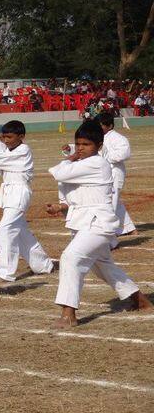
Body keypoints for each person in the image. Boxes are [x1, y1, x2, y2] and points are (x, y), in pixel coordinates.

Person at [46, 121, 151, 328]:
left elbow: (59, 172)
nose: (81, 148)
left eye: (86, 144)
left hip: (98, 223)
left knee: (70, 257)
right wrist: (61, 206)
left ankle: (69, 313)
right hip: (81, 221)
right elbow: (72, 189)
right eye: (78, 144)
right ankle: (140, 300)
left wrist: (69, 159)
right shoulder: (80, 165)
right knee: (103, 266)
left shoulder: (98, 163)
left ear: (99, 146)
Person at [0, 121, 56, 282]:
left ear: (21, 136)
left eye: (9, 137)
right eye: (4, 137)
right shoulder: (8, 151)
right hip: (9, 193)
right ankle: (43, 265)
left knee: (5, 228)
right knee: (21, 231)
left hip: (19, 192)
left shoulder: (23, 150)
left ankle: (5, 272)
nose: (6, 140)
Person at [97, 113, 137, 238]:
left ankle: (109, 233)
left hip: (115, 173)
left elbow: (124, 154)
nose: (99, 127)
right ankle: (129, 229)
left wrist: (106, 156)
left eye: (101, 125)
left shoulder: (118, 138)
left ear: (110, 126)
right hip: (102, 173)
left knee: (110, 202)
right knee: (114, 202)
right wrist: (69, 150)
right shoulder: (97, 137)